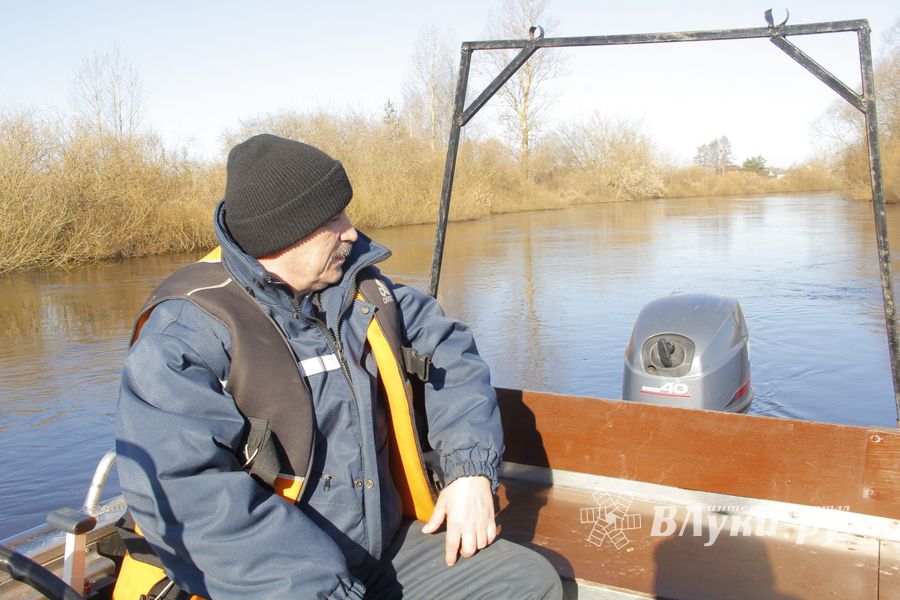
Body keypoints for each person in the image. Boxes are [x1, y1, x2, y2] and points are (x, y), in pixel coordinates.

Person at [116, 133, 563, 599]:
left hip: (380, 550)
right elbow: (190, 498)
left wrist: (469, 470)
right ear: (284, 235)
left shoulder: (362, 292)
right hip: (282, 582)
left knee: (528, 583)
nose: (351, 231)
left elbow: (452, 353)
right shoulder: (184, 335)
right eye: (334, 218)